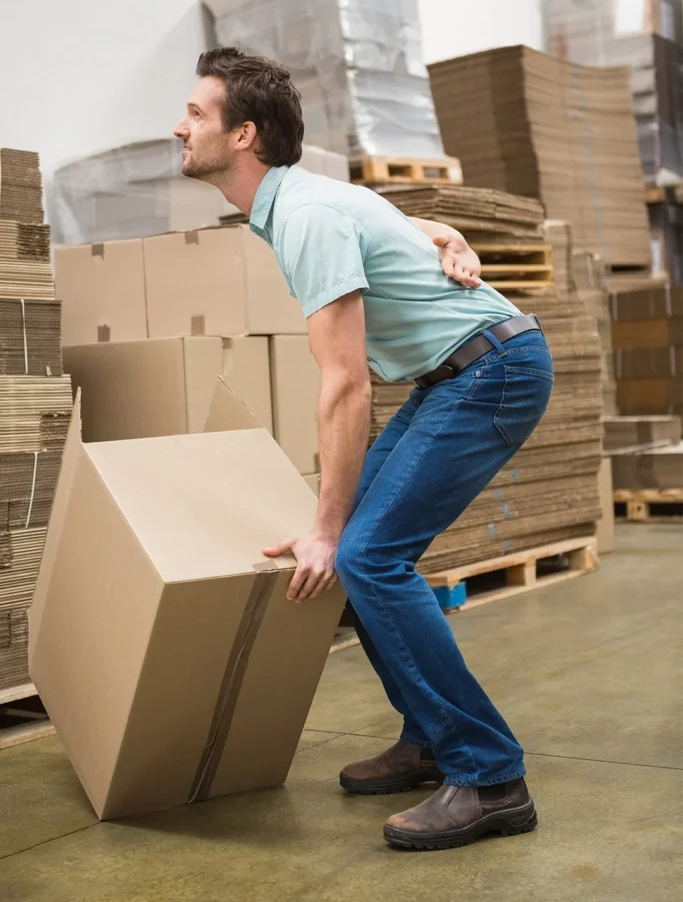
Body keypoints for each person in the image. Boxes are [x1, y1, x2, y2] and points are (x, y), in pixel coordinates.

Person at [174, 47, 554, 851]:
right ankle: (428, 740)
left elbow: (345, 383)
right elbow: (414, 226)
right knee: (361, 551)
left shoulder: (305, 213)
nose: (180, 126)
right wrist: (448, 235)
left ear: (244, 136)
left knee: (367, 553)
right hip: (457, 372)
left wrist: (323, 524)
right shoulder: (303, 200)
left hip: (489, 372)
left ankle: (490, 777)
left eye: (197, 114)